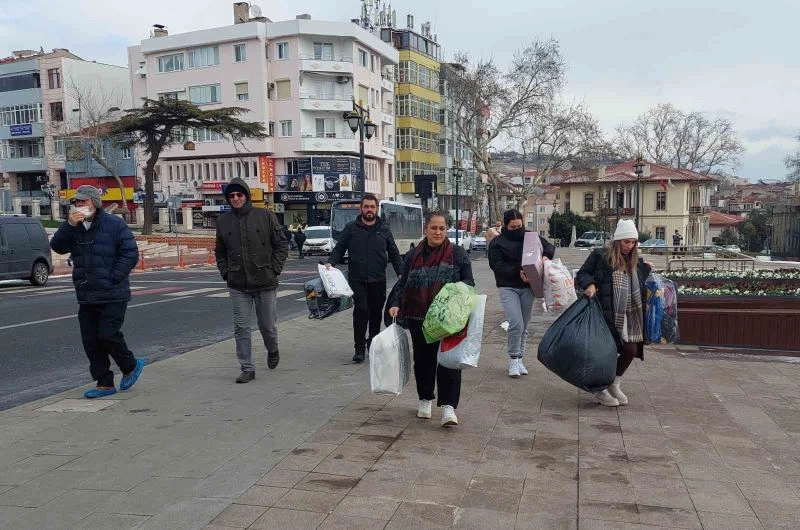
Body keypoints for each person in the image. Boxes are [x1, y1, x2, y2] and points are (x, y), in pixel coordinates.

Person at [50, 185, 144, 398]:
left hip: (113, 292)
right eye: (76, 202)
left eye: (83, 202)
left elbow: (130, 253)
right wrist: (69, 225)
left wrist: (113, 278)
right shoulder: (74, 227)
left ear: (94, 203)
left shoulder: (114, 224)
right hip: (87, 293)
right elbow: (57, 246)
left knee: (108, 334)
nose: (79, 206)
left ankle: (130, 365)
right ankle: (104, 383)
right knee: (91, 340)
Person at [388, 211, 474, 426]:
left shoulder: (458, 254)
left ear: (447, 230)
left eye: (442, 228)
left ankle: (448, 407)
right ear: (425, 229)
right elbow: (403, 282)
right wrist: (395, 303)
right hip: (419, 316)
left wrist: (457, 293)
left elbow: (469, 282)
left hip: (448, 319)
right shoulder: (412, 255)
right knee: (424, 361)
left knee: (449, 361)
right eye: (433, 228)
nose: (438, 232)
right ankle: (425, 398)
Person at [215, 178, 289, 383]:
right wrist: (226, 272)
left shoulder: (265, 216)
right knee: (241, 327)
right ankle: (247, 368)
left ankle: (272, 349)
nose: (236, 199)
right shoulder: (223, 221)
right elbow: (220, 252)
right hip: (238, 283)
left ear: (246, 195)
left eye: (239, 195)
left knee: (267, 326)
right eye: (232, 196)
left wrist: (274, 269)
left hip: (265, 281)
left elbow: (281, 245)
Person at [576, 219, 651, 407]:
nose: (630, 246)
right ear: (618, 241)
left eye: (633, 242)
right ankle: (598, 390)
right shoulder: (600, 255)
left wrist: (647, 268)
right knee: (605, 353)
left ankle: (613, 383)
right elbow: (583, 274)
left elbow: (638, 281)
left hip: (629, 315)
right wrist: (590, 284)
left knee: (631, 349)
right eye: (626, 241)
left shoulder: (635, 261)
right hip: (605, 313)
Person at [326, 193, 402, 363]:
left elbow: (394, 253)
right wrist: (331, 263)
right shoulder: (351, 228)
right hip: (357, 280)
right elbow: (339, 248)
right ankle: (359, 348)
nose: (369, 210)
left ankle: (372, 345)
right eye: (366, 206)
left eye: (372, 207)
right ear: (361, 208)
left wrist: (401, 272)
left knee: (375, 315)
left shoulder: (384, 229)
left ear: (376, 209)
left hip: (378, 279)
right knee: (360, 312)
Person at [488, 209, 555, 378]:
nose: (517, 229)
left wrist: (546, 257)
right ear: (505, 225)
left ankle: (519, 359)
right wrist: (517, 272)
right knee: (516, 323)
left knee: (524, 326)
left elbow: (549, 246)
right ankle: (513, 359)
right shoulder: (497, 242)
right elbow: (496, 265)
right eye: (513, 227)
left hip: (528, 287)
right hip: (508, 286)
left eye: (520, 226)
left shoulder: (531, 236)